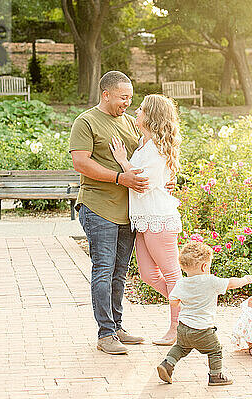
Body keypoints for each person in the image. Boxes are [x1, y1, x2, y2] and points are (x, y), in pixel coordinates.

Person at [70, 71, 174, 355]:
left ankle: (116, 326)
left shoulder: (131, 123)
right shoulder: (86, 122)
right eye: (123, 97)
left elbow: (152, 155)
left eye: (130, 97)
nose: (128, 102)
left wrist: (165, 179)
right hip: (99, 207)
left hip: (130, 211)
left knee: (120, 272)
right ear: (106, 94)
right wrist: (119, 179)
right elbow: (81, 162)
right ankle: (105, 334)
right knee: (103, 270)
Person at [108, 94, 182, 346]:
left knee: (172, 276)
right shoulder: (143, 142)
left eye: (140, 109)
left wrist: (122, 161)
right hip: (143, 220)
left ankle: (177, 328)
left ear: (151, 116)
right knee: (150, 276)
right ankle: (187, 306)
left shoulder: (155, 149)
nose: (135, 112)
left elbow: (143, 184)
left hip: (159, 218)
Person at [156, 241, 252, 386]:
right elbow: (230, 283)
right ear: (204, 266)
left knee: (181, 347)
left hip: (183, 328)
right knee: (215, 350)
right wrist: (245, 280)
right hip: (202, 329)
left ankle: (167, 365)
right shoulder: (211, 281)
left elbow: (173, 302)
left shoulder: (181, 283)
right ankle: (216, 376)